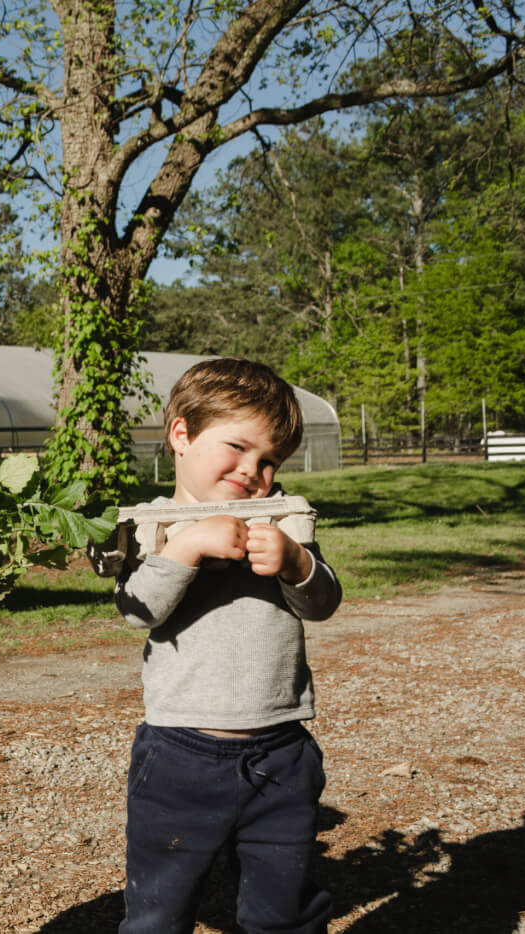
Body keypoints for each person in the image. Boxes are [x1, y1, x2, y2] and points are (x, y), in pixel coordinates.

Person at [114, 357, 343, 934]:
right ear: (181, 434)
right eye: (238, 448)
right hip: (179, 752)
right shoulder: (154, 526)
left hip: (281, 749)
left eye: (269, 461)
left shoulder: (282, 520)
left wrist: (296, 564)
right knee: (159, 910)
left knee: (281, 907)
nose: (253, 471)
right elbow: (136, 611)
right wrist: (186, 549)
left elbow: (323, 603)